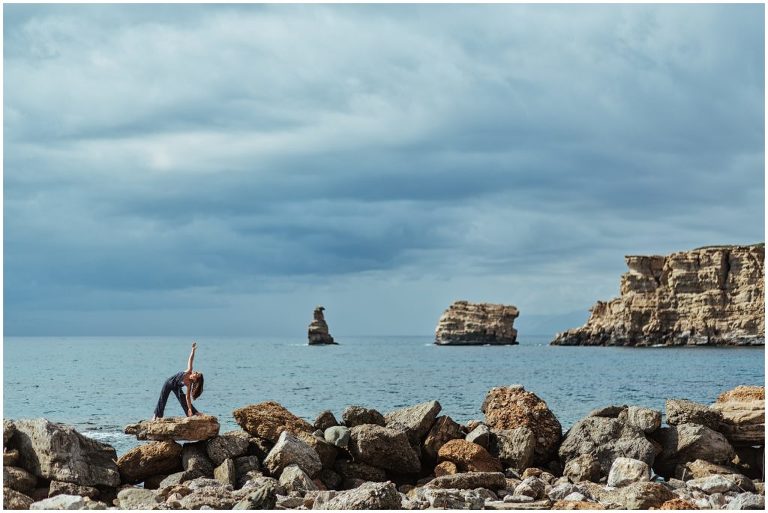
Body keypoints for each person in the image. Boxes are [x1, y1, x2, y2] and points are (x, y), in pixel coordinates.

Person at [152, 342, 204, 419]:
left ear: (195, 379)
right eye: (196, 372)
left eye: (196, 374)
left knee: (183, 398)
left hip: (176, 387)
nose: (195, 372)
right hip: (169, 383)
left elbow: (188, 398)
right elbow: (190, 360)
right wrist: (193, 350)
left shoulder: (189, 384)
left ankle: (194, 412)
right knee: (163, 399)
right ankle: (155, 416)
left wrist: (189, 408)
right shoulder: (189, 370)